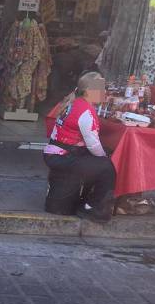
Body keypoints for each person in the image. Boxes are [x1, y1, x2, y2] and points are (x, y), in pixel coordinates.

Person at [43, 72, 116, 223]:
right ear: (88, 91)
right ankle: (93, 207)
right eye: (100, 88)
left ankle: (85, 200)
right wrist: (104, 158)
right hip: (63, 156)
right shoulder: (86, 112)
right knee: (107, 167)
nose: (104, 92)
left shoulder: (74, 103)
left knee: (98, 161)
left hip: (56, 153)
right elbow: (93, 145)